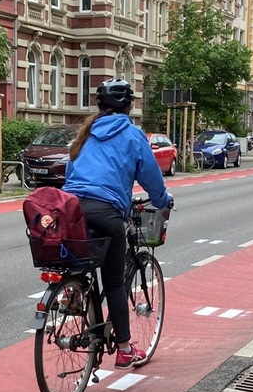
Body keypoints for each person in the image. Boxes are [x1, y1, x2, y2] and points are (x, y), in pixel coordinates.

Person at [62, 79, 173, 368]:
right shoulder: (133, 136)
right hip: (108, 211)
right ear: (129, 106)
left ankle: (73, 291)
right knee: (113, 283)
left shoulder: (85, 134)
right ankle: (124, 349)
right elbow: (151, 176)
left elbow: (70, 170)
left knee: (83, 257)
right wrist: (162, 201)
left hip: (72, 208)